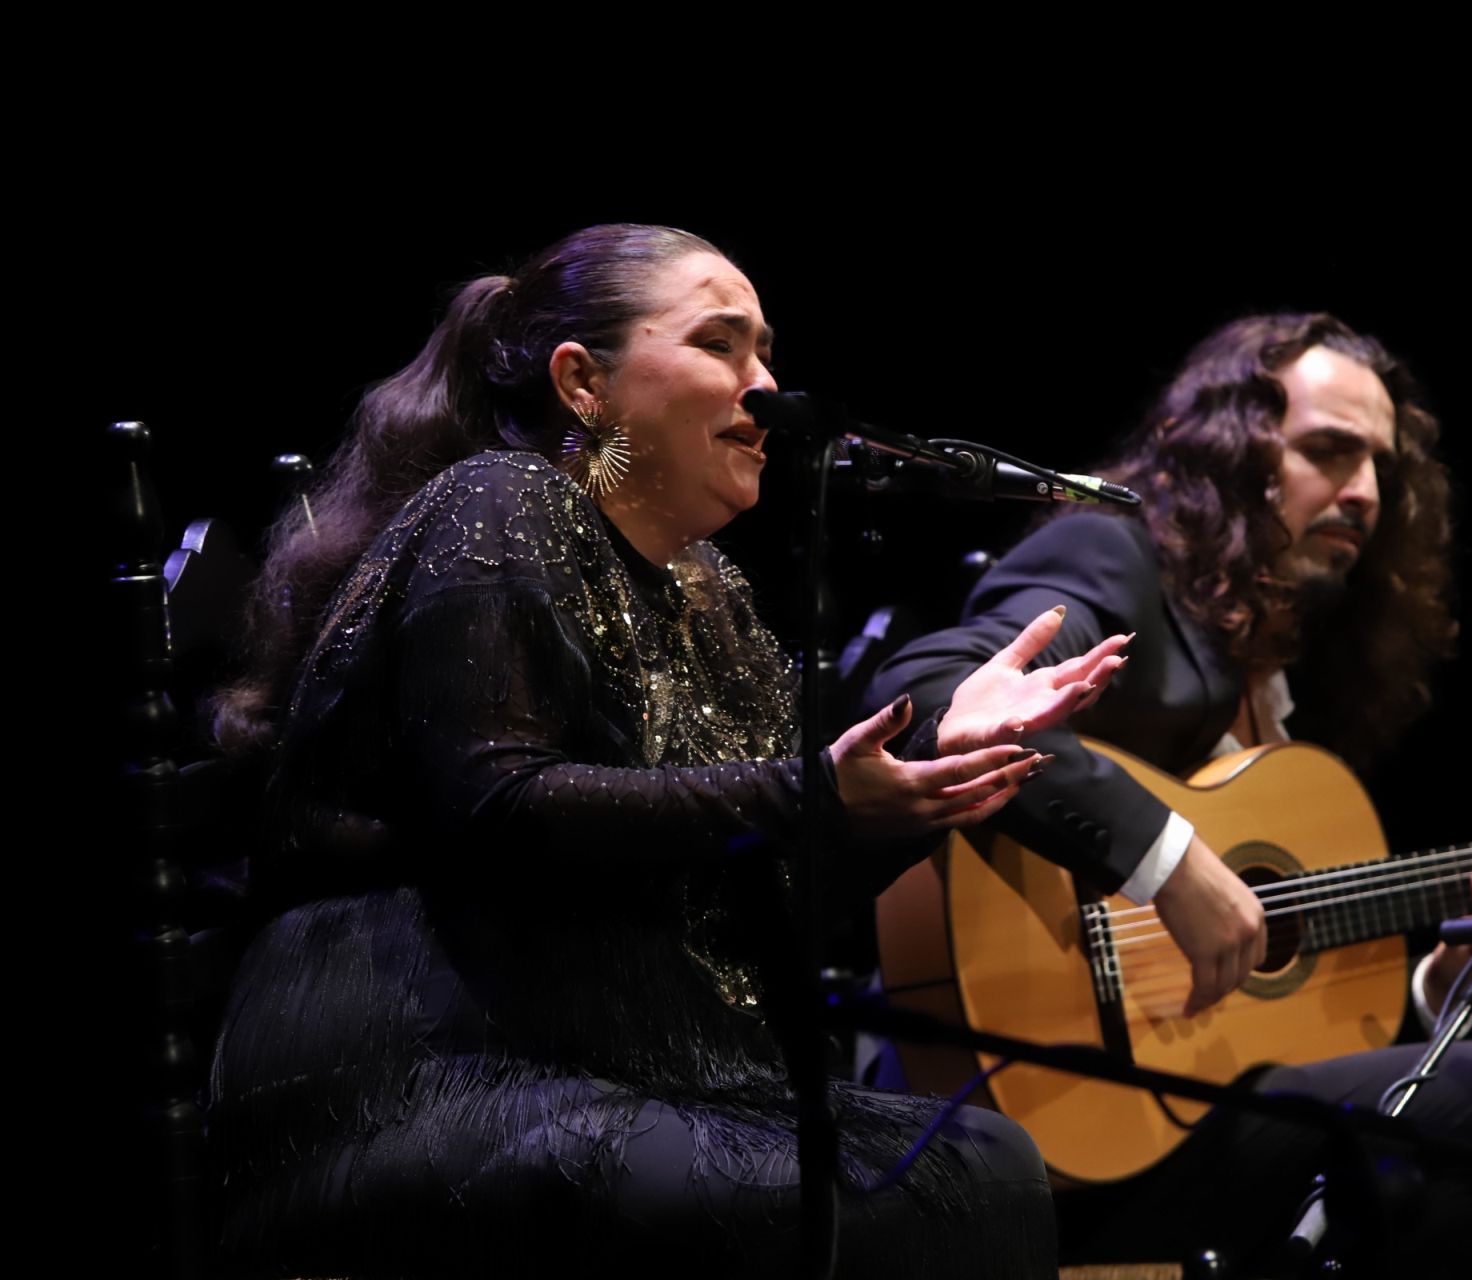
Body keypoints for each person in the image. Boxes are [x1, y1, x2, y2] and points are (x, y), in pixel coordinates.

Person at [205, 224, 1130, 1279]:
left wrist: (923, 775)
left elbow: (764, 905)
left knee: (990, 1161)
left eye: (765, 350)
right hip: (424, 1067)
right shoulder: (500, 500)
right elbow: (498, 805)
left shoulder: (708, 590)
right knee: (868, 1201)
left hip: (607, 1058)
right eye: (718, 343)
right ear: (583, 381)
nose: (764, 384)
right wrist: (813, 790)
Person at [867, 312, 1472, 1277]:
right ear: (1229, 453)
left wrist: (1441, 982)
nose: (1365, 491)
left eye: (1381, 466)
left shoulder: (1300, 669)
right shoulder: (1111, 557)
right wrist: (1168, 861)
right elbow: (933, 693)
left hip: (1195, 1112)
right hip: (1043, 1116)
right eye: (1330, 452)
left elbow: (1279, 997)